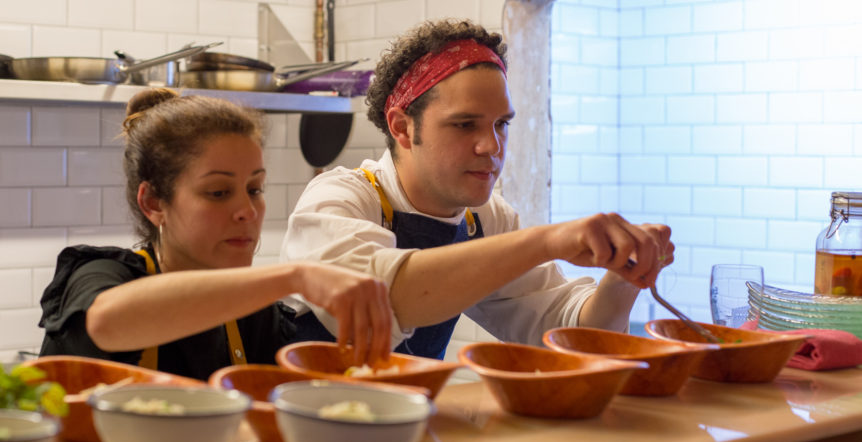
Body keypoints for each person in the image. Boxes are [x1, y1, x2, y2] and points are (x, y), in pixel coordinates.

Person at [281, 19, 674, 360]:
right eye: (465, 125)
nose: (492, 147)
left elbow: (569, 334)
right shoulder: (338, 199)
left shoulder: (484, 220)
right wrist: (547, 241)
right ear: (402, 127)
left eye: (502, 123)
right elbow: (385, 298)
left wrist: (624, 277)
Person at [38, 88, 392, 380]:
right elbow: (107, 323)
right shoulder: (99, 276)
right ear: (154, 202)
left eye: (254, 189)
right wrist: (296, 275)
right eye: (219, 192)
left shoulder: (253, 315)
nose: (248, 211)